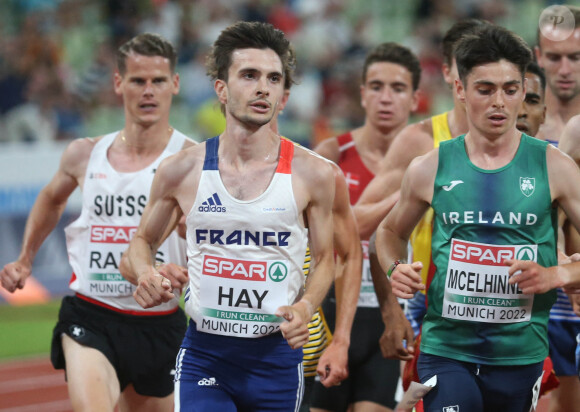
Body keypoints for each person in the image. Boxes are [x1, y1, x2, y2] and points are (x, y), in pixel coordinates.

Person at [120, 21, 336, 411]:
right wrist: (146, 272)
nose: (262, 88)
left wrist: (306, 306)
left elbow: (325, 260)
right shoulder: (181, 170)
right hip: (207, 353)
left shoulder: (314, 174)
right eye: (249, 75)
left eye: (273, 78)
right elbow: (140, 244)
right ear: (221, 88)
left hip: (277, 358)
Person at [377, 25, 580, 411]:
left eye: (509, 89)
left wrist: (559, 275)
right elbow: (389, 232)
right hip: (446, 349)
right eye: (485, 90)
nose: (499, 102)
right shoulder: (430, 166)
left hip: (521, 355)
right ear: (460, 90)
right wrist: (395, 267)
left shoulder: (555, 167)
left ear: (523, 90)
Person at [0, 33, 195, 411]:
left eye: (158, 81)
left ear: (175, 84)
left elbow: (208, 234)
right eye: (138, 80)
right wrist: (25, 258)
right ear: (119, 83)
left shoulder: (190, 160)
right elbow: (50, 198)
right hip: (92, 313)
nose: (148, 91)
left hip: (159, 322)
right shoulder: (85, 154)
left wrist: (187, 263)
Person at [310, 42, 421, 412]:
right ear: (362, 94)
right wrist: (407, 194)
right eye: (376, 86)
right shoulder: (332, 154)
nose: (385, 98)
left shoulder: (432, 161)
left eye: (398, 88)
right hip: (332, 310)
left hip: (393, 316)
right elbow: (336, 233)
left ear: (416, 98)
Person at [535, 7, 580, 410]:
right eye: (554, 57)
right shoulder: (516, 127)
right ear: (537, 56)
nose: (564, 68)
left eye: (576, 57)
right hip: (542, 298)